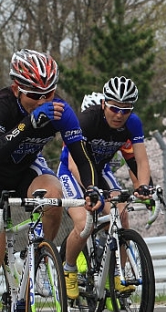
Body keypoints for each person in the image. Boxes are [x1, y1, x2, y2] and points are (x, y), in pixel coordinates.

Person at [0, 49, 100, 268]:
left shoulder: (60, 111)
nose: (42, 101)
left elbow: (81, 156)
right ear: (17, 89)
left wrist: (92, 187)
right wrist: (27, 124)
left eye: (49, 93)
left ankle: (38, 259)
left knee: (53, 194)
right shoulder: (4, 105)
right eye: (35, 95)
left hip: (27, 168)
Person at [58, 77, 152, 300]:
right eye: (114, 108)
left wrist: (145, 187)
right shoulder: (87, 121)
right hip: (72, 172)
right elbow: (73, 162)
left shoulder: (133, 123)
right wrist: (91, 189)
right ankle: (69, 269)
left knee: (121, 214)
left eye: (126, 110)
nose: (119, 114)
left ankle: (117, 274)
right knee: (83, 223)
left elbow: (141, 161)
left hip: (100, 170)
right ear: (104, 104)